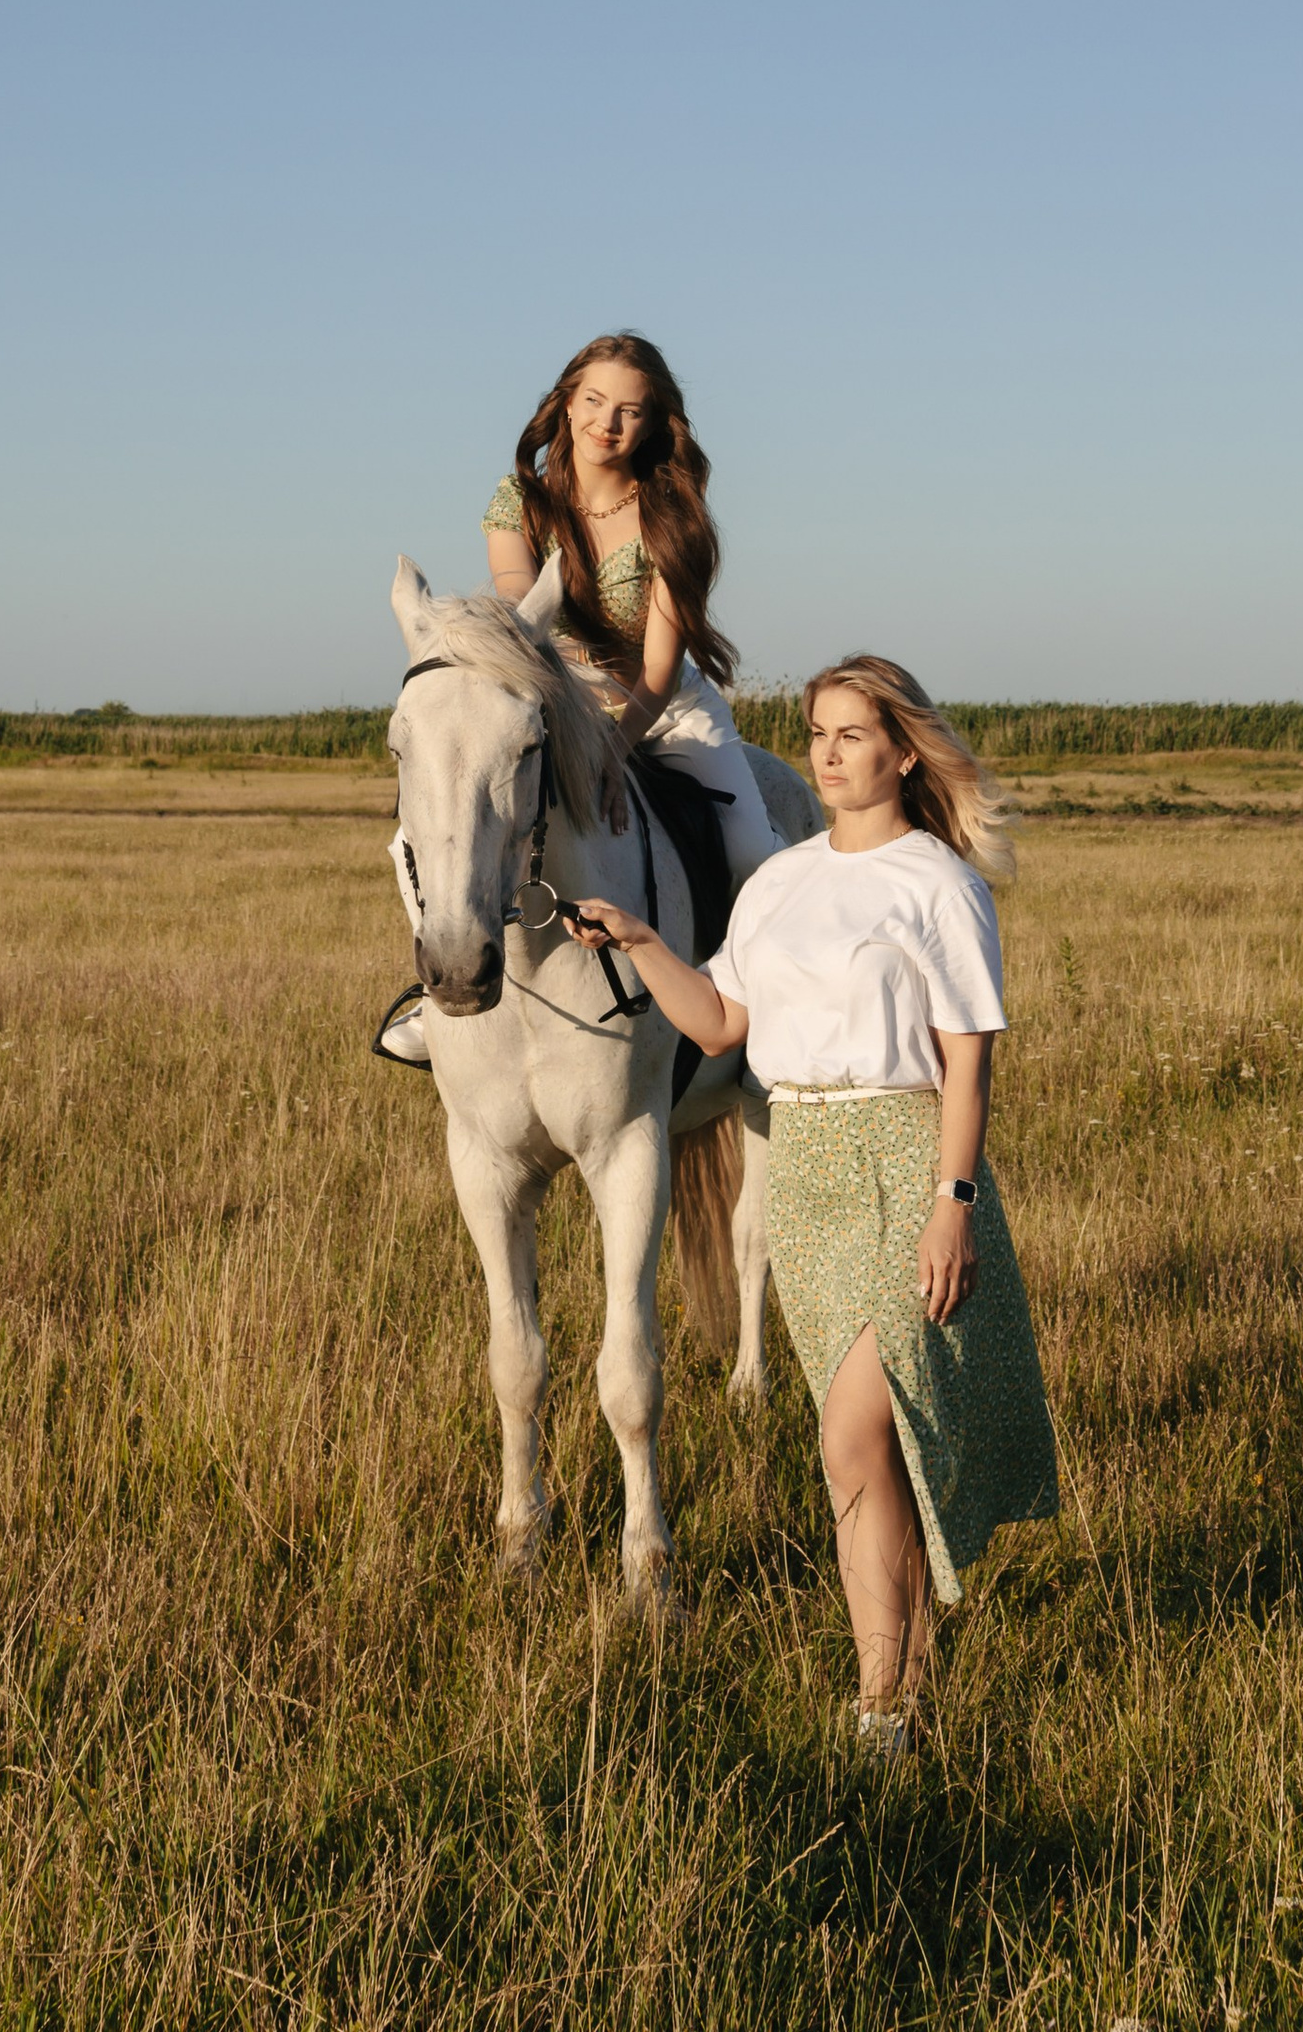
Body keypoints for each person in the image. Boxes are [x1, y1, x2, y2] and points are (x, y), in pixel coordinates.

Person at [566, 655, 1057, 1755]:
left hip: (900, 1157)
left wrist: (953, 1201)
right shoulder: (778, 882)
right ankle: (894, 1689)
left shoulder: (938, 882)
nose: (827, 756)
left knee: (856, 1432)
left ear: (902, 752)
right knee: (858, 1456)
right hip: (801, 1168)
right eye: (818, 735)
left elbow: (967, 1066)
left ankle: (885, 1695)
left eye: (851, 735)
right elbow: (718, 1024)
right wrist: (643, 943)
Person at [375, 334, 785, 1067]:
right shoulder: (520, 500)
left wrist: (612, 752)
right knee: (421, 834)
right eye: (593, 401)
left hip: (663, 710)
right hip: (558, 704)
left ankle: (766, 1009)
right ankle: (437, 996)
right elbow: (519, 610)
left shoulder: (672, 518)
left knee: (755, 848)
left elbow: (659, 669)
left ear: (654, 422)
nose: (607, 423)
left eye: (630, 410)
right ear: (565, 403)